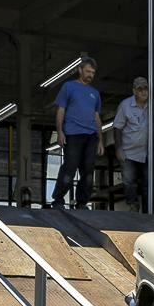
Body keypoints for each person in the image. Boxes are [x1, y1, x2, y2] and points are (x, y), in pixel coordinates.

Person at [50, 57, 102, 209]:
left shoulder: (95, 93)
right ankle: (58, 200)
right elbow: (60, 110)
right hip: (73, 134)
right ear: (80, 70)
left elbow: (97, 116)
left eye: (93, 73)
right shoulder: (68, 87)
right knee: (70, 168)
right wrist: (60, 132)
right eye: (87, 71)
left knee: (88, 172)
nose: (90, 75)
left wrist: (100, 140)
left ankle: (82, 202)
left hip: (91, 136)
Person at [106, 76, 153, 211]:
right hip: (129, 151)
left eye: (146, 88)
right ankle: (133, 205)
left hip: (147, 152)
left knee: (147, 183)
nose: (144, 92)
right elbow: (117, 128)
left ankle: (147, 210)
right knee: (129, 182)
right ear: (134, 91)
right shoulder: (125, 105)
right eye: (140, 89)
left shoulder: (153, 105)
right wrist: (118, 149)